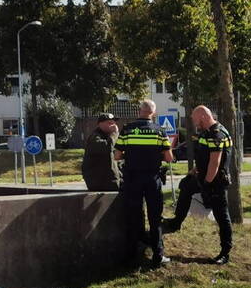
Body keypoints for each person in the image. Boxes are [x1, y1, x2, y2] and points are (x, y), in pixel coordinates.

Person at [162, 105, 233, 265]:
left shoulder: (217, 134)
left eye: (195, 120)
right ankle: (176, 222)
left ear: (202, 117)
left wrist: (207, 184)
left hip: (215, 181)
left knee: (222, 216)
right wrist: (194, 171)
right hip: (203, 176)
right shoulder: (205, 133)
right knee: (186, 185)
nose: (194, 123)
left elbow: (214, 163)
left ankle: (225, 252)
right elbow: (203, 157)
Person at [115, 100, 173, 268]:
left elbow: (117, 156)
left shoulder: (127, 129)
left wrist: (132, 155)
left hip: (132, 179)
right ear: (153, 113)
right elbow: (169, 158)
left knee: (133, 216)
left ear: (139, 111)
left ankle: (131, 256)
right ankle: (158, 255)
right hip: (152, 179)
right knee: (155, 218)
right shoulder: (159, 131)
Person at [81, 113, 121, 191]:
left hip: (110, 182)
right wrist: (114, 134)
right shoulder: (95, 137)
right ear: (100, 124)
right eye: (109, 123)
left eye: (114, 122)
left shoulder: (109, 137)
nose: (113, 125)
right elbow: (106, 147)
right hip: (100, 183)